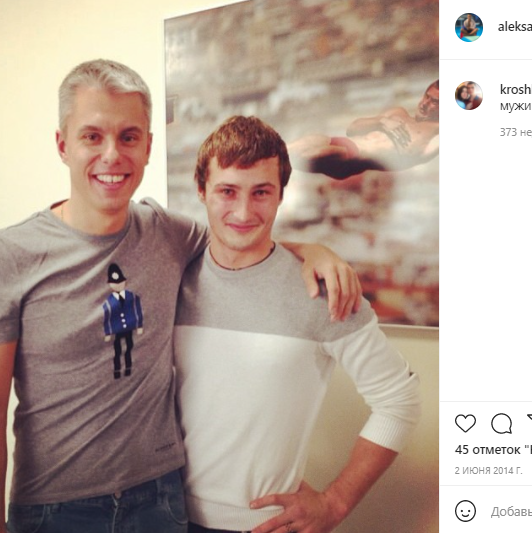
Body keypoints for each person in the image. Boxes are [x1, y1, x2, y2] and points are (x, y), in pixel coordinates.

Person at [0, 59, 360, 533]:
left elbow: (239, 234)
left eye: (129, 137)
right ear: (63, 145)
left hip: (161, 502)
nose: (112, 155)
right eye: (93, 136)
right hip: (55, 510)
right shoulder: (8, 255)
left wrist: (312, 250)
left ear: (148, 147)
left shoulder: (167, 233)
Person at [174, 116, 421, 533]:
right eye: (227, 191)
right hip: (159, 516)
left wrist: (335, 503)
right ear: (202, 190)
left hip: (262, 526)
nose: (243, 211)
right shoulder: (174, 276)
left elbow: (400, 399)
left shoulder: (323, 288)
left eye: (261, 192)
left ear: (280, 195)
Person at [288, 80, 439, 180]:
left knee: (305, 155)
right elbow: (352, 129)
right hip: (344, 142)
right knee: (297, 145)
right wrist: (381, 122)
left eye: (434, 102)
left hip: (352, 159)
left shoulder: (435, 135)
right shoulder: (398, 113)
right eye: (426, 96)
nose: (424, 103)